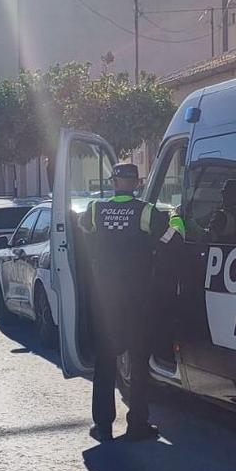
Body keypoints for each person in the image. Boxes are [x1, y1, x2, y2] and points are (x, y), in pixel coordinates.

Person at [80, 163, 159, 443]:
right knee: (138, 362)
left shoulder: (95, 209)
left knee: (105, 362)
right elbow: (170, 237)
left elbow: (82, 230)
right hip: (136, 298)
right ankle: (137, 425)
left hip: (106, 298)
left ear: (114, 182)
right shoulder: (147, 211)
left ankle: (102, 425)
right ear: (136, 184)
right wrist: (176, 221)